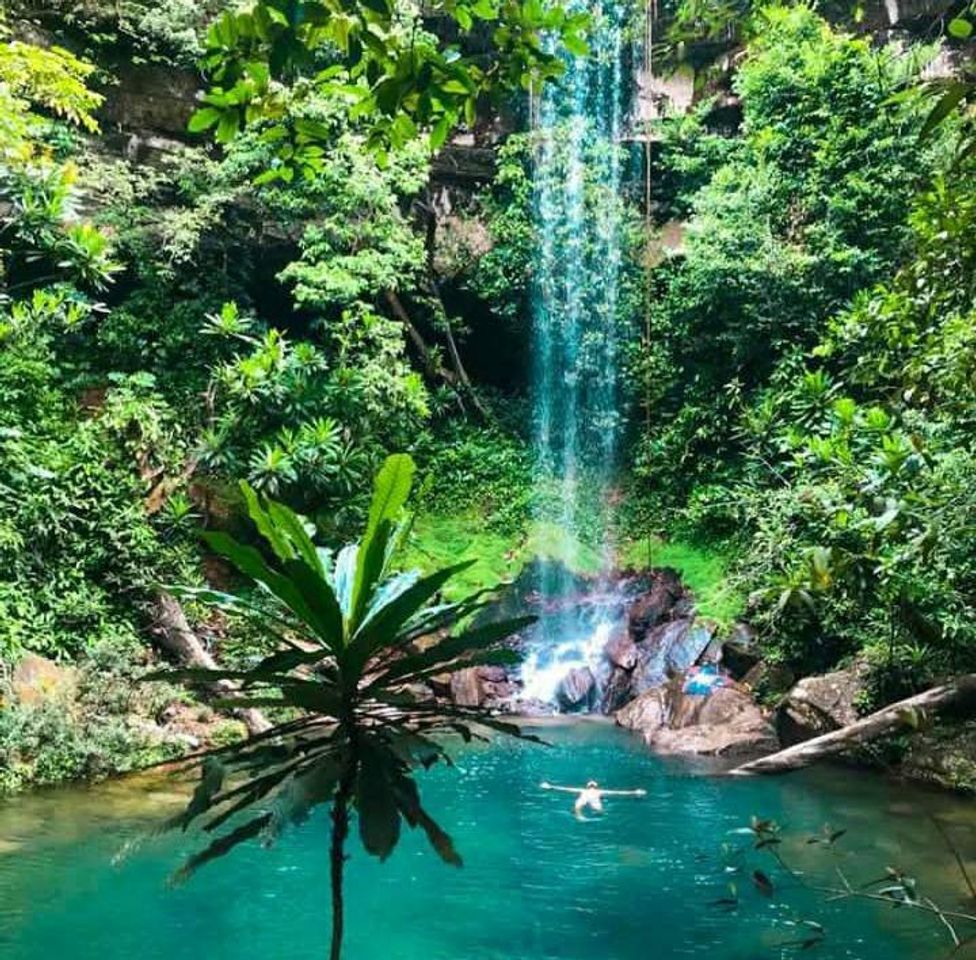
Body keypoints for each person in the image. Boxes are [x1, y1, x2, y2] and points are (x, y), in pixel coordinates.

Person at [540, 779, 646, 818]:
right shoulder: (599, 791)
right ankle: (590, 815)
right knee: (599, 810)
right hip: (594, 798)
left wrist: (551, 787)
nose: (591, 786)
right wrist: (634, 792)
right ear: (595, 786)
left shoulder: (583, 790)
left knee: (578, 807)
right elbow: (618, 793)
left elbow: (565, 789)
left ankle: (579, 816)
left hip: (586, 797)